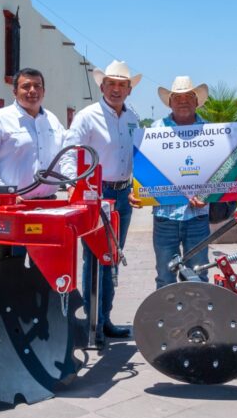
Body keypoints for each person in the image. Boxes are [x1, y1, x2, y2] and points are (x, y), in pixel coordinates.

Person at [62, 60, 142, 338]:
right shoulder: (87, 116)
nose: (116, 89)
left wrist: (139, 187)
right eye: (111, 84)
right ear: (102, 86)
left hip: (123, 194)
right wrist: (79, 189)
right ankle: (92, 319)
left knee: (113, 256)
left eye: (122, 85)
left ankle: (103, 317)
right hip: (96, 193)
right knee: (95, 257)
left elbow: (140, 158)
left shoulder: (133, 118)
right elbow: (71, 153)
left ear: (129, 90)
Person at [151, 76, 212, 288]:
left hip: (198, 217)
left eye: (189, 96)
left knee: (198, 275)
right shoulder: (155, 130)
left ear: (197, 101)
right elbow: (146, 168)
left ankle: (198, 321)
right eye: (178, 97)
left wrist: (208, 194)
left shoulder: (211, 131)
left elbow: (219, 170)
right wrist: (138, 191)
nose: (183, 101)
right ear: (170, 102)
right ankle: (169, 321)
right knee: (165, 277)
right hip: (164, 217)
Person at [0, 67, 66, 200]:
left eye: (37, 86)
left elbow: (66, 157)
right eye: (26, 86)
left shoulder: (53, 121)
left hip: (50, 203)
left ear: (43, 91)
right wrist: (4, 193)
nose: (32, 90)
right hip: (12, 205)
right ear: (15, 92)